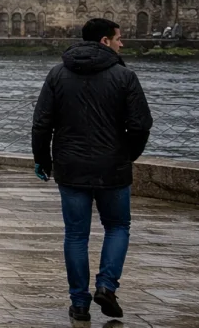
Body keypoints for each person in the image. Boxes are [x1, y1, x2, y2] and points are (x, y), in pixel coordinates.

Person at [32, 18, 153, 322]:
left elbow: (41, 123)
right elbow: (141, 124)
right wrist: (128, 154)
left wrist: (43, 160)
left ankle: (79, 303)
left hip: (71, 168)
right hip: (113, 167)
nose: (121, 44)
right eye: (118, 38)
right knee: (117, 226)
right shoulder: (124, 76)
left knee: (76, 235)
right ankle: (107, 286)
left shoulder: (58, 74)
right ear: (104, 41)